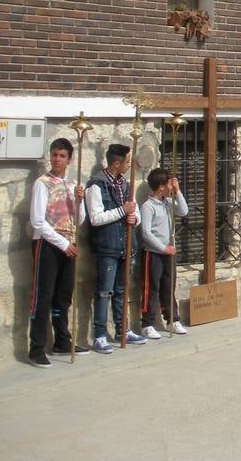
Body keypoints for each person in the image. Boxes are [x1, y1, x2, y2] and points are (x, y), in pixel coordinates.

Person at [28, 137, 86, 368]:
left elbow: (79, 221)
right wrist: (61, 243)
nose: (57, 159)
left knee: (63, 295)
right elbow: (37, 221)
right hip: (49, 243)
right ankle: (36, 347)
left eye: (62, 155)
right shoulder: (42, 183)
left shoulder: (72, 185)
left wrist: (80, 202)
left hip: (69, 243)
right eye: (54, 154)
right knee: (43, 296)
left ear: (69, 159)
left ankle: (62, 340)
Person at [85, 143, 146, 353]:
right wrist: (122, 211)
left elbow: (135, 213)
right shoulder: (96, 185)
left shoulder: (125, 184)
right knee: (104, 291)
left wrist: (133, 217)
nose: (129, 166)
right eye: (127, 162)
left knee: (122, 290)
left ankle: (122, 329)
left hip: (125, 245)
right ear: (117, 163)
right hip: (108, 246)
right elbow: (96, 218)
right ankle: (100, 334)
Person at [138, 168, 189, 338]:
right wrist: (162, 248)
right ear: (160, 186)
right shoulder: (148, 206)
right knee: (152, 288)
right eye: (168, 183)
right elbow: (146, 233)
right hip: (154, 253)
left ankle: (172, 320)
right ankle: (147, 323)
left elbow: (183, 211)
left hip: (169, 252)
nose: (170, 186)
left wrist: (178, 191)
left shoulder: (168, 203)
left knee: (169, 287)